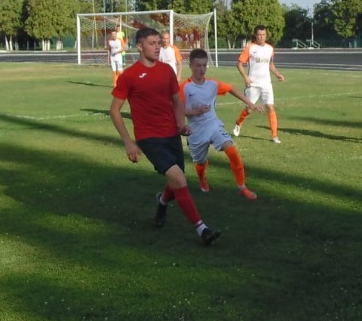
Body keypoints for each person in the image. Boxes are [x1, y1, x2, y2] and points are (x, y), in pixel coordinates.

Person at [109, 27, 220, 245]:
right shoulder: (129, 75)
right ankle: (202, 229)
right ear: (140, 46)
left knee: (176, 178)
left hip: (171, 133)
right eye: (152, 43)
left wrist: (180, 125)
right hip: (148, 137)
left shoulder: (167, 71)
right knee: (179, 178)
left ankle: (161, 202)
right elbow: (114, 110)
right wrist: (128, 142)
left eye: (159, 42)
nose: (157, 46)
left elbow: (176, 101)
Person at [180, 47, 263, 200]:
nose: (202, 69)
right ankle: (202, 179)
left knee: (231, 150)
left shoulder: (212, 84)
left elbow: (231, 88)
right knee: (200, 161)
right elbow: (179, 111)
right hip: (195, 130)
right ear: (190, 65)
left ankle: (242, 188)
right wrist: (196, 111)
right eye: (198, 65)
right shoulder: (185, 87)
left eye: (204, 65)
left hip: (213, 124)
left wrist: (251, 104)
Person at [233, 25, 286, 143]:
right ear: (255, 35)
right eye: (259, 35)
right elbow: (239, 64)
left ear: (266, 35)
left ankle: (274, 136)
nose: (261, 37)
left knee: (270, 107)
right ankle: (238, 123)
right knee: (250, 109)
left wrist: (277, 74)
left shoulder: (270, 48)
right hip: (253, 84)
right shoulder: (250, 48)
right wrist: (246, 77)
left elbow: (270, 64)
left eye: (263, 35)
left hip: (267, 83)